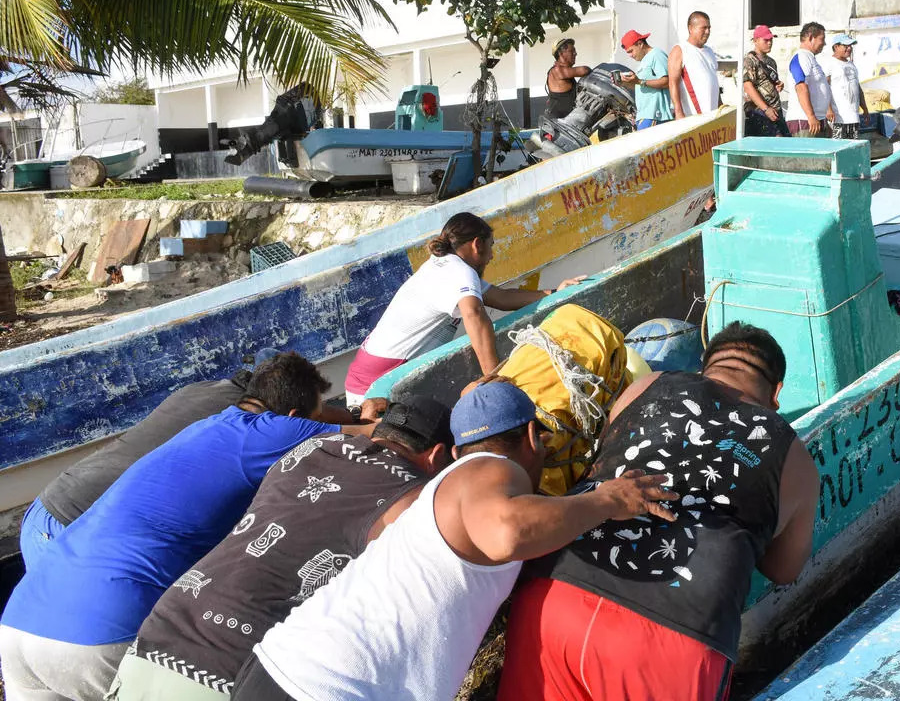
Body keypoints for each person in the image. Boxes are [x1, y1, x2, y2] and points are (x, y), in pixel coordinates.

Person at [229, 380, 678, 701]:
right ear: (530, 436)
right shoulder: (491, 469)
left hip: (284, 668)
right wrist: (606, 500)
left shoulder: (439, 492)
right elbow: (510, 530)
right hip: (332, 686)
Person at [0, 352, 372, 701]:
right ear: (292, 416)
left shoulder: (207, 427)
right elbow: (385, 438)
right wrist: (375, 413)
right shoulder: (271, 433)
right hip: (101, 626)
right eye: (316, 414)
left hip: (21, 621)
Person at [498, 322, 819, 701]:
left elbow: (604, 460)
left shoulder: (646, 387)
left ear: (703, 370)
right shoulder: (792, 454)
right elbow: (784, 569)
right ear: (777, 393)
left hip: (553, 596)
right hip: (673, 631)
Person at [110, 397, 454, 701]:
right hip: (230, 667)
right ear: (437, 455)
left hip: (160, 630)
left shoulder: (314, 446)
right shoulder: (410, 496)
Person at [18, 349, 363, 571]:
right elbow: (293, 424)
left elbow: (297, 416)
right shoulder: (240, 426)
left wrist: (350, 413)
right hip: (75, 522)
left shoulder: (202, 393)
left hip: (47, 506)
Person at [342, 212, 583, 405]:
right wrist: (496, 376)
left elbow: (501, 297)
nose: (491, 256)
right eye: (491, 246)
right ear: (477, 244)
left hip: (363, 372)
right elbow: (474, 314)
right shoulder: (461, 272)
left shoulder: (443, 266)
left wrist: (554, 292)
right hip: (377, 383)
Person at [784, 22, 834, 137]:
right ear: (811, 37)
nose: (824, 43)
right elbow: (800, 87)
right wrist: (811, 116)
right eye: (822, 39)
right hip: (804, 121)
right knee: (808, 156)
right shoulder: (801, 57)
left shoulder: (811, 59)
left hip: (817, 120)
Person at [669, 11, 720, 119]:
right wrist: (678, 112)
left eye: (709, 28)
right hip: (693, 117)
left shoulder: (709, 51)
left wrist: (720, 106)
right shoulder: (680, 50)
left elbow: (714, 81)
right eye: (704, 28)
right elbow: (673, 83)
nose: (707, 32)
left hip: (712, 117)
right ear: (691, 28)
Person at [620, 29, 673, 129]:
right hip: (645, 116)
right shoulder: (644, 61)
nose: (630, 55)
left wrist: (640, 81)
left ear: (640, 44)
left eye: (631, 51)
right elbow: (642, 86)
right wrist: (624, 83)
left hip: (655, 115)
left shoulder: (656, 54)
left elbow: (668, 82)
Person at [742, 25, 789, 137]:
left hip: (776, 111)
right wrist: (766, 109)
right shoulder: (750, 60)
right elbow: (748, 87)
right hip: (760, 113)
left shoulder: (771, 62)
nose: (769, 43)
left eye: (771, 40)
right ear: (756, 41)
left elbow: (769, 82)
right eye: (766, 40)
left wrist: (778, 85)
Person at [821, 33, 869, 140]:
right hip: (838, 117)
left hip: (853, 116)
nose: (849, 48)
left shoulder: (851, 65)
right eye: (846, 46)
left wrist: (864, 108)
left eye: (850, 46)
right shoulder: (829, 63)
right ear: (836, 47)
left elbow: (857, 88)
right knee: (838, 146)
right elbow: (824, 87)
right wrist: (828, 109)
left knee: (852, 147)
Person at [546, 38, 591, 120]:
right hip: (557, 125)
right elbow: (584, 70)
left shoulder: (566, 72)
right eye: (572, 51)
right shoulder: (556, 71)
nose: (575, 53)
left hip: (569, 122)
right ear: (561, 54)